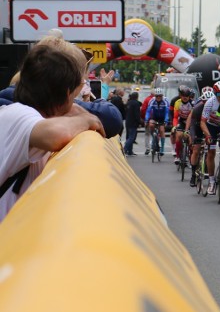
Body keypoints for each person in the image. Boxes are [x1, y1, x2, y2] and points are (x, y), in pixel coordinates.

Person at [0, 36, 105, 223]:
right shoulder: (18, 114)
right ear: (67, 93)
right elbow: (55, 134)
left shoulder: (21, 113)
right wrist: (89, 120)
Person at [200, 80, 220, 195]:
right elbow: (203, 122)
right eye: (218, 94)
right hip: (211, 127)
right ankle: (211, 182)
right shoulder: (210, 102)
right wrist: (207, 135)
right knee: (211, 152)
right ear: (214, 93)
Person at [145, 89, 171, 154]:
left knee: (162, 130)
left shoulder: (166, 101)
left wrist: (166, 120)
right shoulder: (152, 101)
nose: (158, 97)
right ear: (155, 96)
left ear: (162, 96)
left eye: (160, 96)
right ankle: (154, 138)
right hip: (155, 117)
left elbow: (167, 113)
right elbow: (148, 111)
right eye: (157, 96)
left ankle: (162, 147)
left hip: (162, 118)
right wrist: (146, 119)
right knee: (151, 125)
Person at [124, 91, 142, 156]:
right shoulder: (136, 104)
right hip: (133, 122)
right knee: (132, 137)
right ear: (137, 97)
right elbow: (137, 114)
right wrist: (139, 122)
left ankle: (130, 151)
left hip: (128, 121)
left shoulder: (129, 103)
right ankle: (125, 149)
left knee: (129, 136)